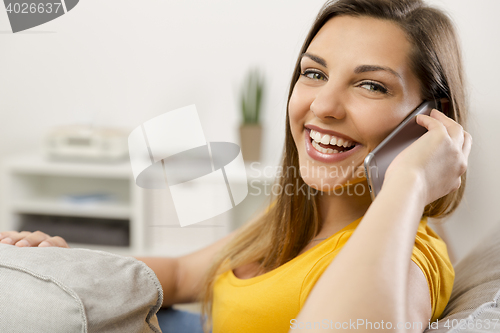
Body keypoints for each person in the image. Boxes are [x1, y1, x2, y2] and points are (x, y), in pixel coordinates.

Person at [0, 0, 472, 332]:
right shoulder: (302, 213)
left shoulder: (410, 260)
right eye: (314, 73)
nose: (323, 105)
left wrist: (409, 181)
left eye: (371, 86)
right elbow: (184, 274)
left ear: (432, 122)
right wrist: (65, 265)